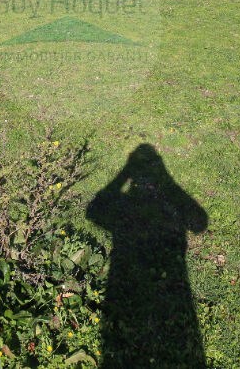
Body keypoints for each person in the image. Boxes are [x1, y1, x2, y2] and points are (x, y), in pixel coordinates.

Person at [87, 144, 208, 368]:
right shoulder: (164, 195)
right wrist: (168, 186)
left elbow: (94, 212)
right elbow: (199, 223)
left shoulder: (126, 200)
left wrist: (124, 174)